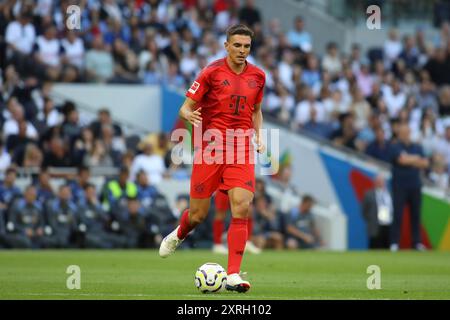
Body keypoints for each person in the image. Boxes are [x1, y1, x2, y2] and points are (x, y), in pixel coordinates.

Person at [159, 24, 266, 292]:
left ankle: (233, 274)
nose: (242, 51)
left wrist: (259, 135)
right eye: (237, 45)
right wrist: (188, 115)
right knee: (198, 215)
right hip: (211, 148)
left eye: (247, 46)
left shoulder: (259, 76)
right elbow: (186, 106)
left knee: (241, 205)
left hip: (241, 148)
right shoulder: (211, 73)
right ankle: (179, 234)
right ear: (226, 46)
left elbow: (256, 110)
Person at [389, 124, 429, 251]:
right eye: (402, 132)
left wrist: (409, 159)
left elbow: (425, 163)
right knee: (398, 215)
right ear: (399, 134)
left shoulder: (417, 146)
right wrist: (415, 159)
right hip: (399, 185)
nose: (405, 134)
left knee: (416, 215)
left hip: (415, 185)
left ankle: (416, 242)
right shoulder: (395, 146)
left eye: (407, 132)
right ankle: (394, 242)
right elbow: (401, 160)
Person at [211, 190, 261, 254]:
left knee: (248, 211)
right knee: (220, 213)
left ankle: (247, 242)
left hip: (240, 183)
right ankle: (217, 244)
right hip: (224, 184)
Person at [361, 174, 393, 249]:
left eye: (381, 181)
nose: (380, 183)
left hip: (388, 224)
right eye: (378, 181)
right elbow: (364, 211)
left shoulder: (390, 194)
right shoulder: (369, 194)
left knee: (387, 246)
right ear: (374, 182)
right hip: (375, 225)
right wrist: (371, 219)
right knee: (375, 246)